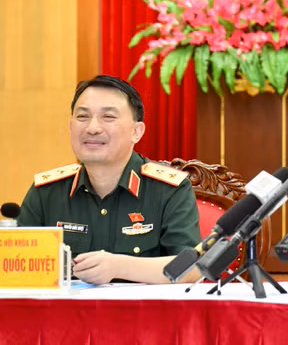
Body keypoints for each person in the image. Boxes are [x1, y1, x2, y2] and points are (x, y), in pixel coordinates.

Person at [18, 75, 202, 284]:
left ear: (136, 131)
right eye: (82, 116)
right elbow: (16, 264)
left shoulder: (168, 189)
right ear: (70, 127)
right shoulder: (47, 191)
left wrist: (120, 266)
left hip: (140, 306)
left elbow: (191, 269)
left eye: (108, 117)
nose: (92, 128)